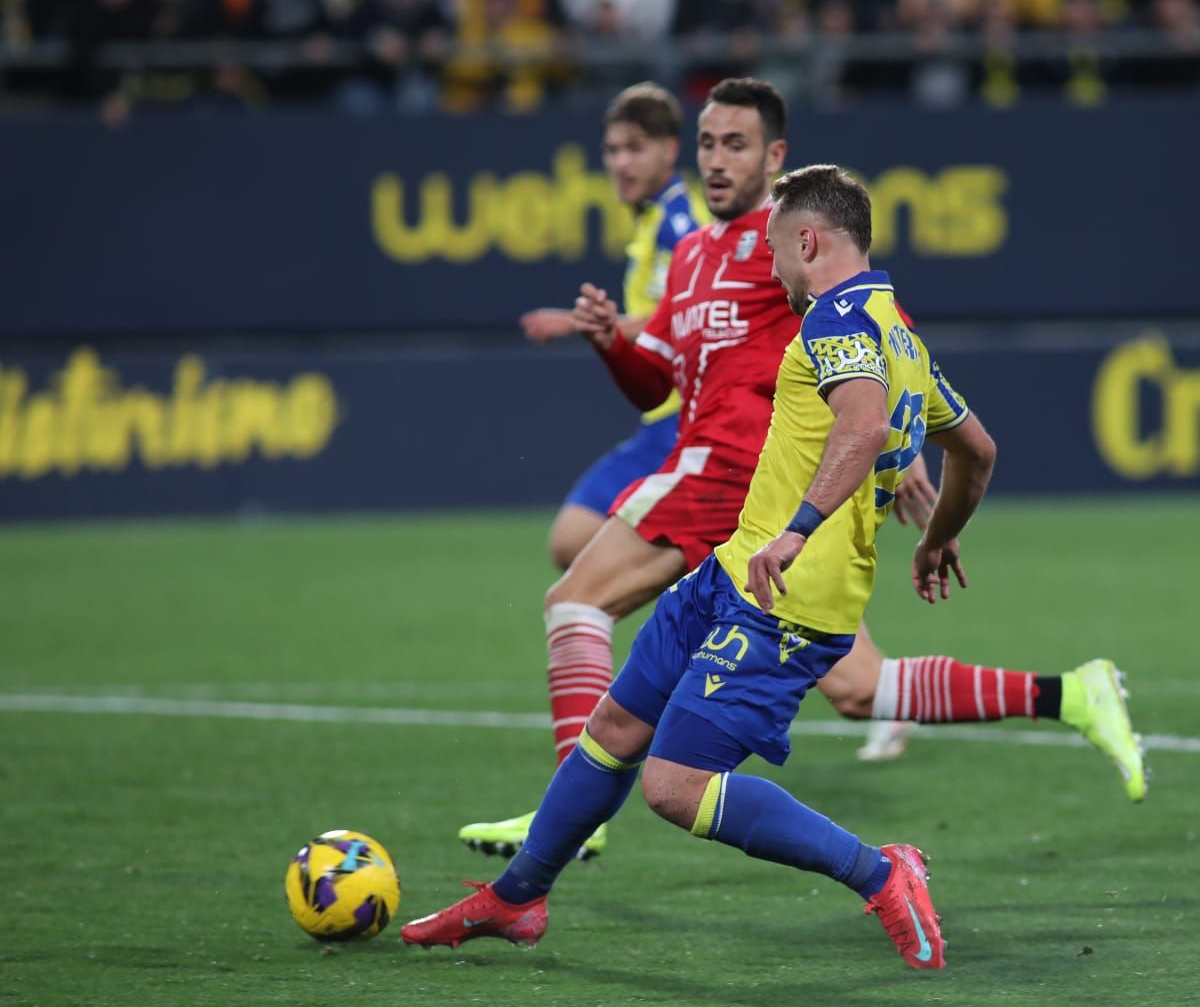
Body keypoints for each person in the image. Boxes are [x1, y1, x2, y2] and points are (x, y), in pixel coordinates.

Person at [455, 78, 1146, 858]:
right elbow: (659, 381)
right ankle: (1074, 694)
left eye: (737, 145)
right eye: (708, 144)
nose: (716, 160)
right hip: (753, 497)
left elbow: (876, 327)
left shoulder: (783, 242)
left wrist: (903, 437)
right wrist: (614, 339)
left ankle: (570, 822)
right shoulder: (689, 256)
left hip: (740, 475)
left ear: (775, 155)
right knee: (859, 690)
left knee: (575, 600)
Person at [404, 164, 992, 968]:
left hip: (787, 597)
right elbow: (977, 450)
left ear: (809, 240)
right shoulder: (899, 333)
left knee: (675, 786)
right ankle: (518, 898)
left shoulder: (833, 322)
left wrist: (798, 530)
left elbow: (859, 427)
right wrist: (937, 536)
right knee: (614, 726)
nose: (774, 265)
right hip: (732, 572)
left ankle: (883, 870)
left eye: (778, 248)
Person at [523, 83, 702, 575]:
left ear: (669, 150)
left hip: (687, 423)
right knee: (573, 543)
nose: (620, 163)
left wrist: (597, 324)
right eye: (612, 150)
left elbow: (690, 312)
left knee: (575, 545)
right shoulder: (654, 220)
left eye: (634, 149)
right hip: (660, 423)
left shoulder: (681, 226)